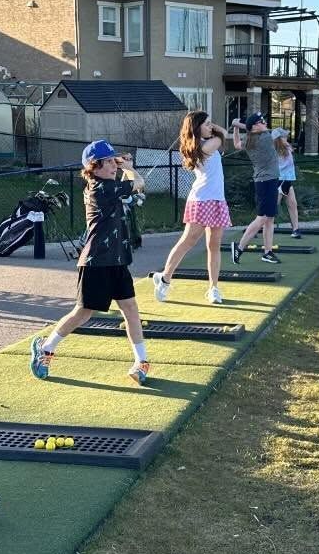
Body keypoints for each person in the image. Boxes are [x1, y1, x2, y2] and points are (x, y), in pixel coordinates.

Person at [30, 140, 151, 385]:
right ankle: (45, 347)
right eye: (107, 162)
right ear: (93, 168)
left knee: (130, 309)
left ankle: (142, 361)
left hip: (117, 261)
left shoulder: (110, 185)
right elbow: (138, 183)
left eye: (112, 161)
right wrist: (129, 167)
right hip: (96, 261)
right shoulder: (100, 188)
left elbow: (133, 190)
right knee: (83, 313)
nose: (112, 166)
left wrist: (122, 165)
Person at [152, 111, 229, 305]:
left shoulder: (205, 143)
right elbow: (224, 134)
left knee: (214, 245)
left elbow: (221, 134)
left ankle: (213, 288)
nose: (211, 127)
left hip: (217, 199)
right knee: (188, 241)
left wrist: (210, 125)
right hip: (202, 200)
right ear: (196, 128)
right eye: (207, 124)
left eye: (211, 124)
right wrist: (216, 128)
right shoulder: (206, 146)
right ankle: (164, 278)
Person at [229, 112, 282, 265]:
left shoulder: (249, 140)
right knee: (262, 218)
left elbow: (236, 145)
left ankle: (267, 252)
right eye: (261, 121)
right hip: (266, 183)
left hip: (266, 181)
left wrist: (236, 128)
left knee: (269, 219)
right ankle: (239, 248)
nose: (264, 122)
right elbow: (253, 128)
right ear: (255, 127)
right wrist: (238, 124)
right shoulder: (265, 137)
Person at [273, 128, 303, 239]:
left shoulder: (287, 148)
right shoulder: (274, 150)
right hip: (279, 181)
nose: (287, 138)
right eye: (284, 136)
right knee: (271, 208)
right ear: (279, 139)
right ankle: (256, 228)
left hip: (288, 181)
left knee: (293, 205)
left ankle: (296, 230)